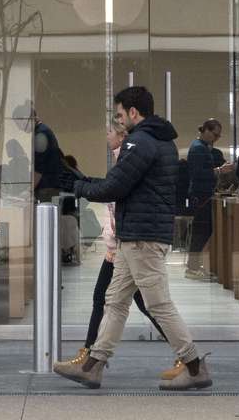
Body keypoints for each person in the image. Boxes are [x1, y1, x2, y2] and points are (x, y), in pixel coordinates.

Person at [54, 85, 211, 391]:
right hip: (136, 235)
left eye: (120, 114)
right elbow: (125, 183)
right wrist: (84, 181)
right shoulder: (161, 140)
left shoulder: (139, 141)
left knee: (158, 304)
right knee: (115, 301)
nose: (119, 120)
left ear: (134, 112)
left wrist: (78, 185)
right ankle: (93, 366)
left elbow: (115, 187)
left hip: (143, 237)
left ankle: (194, 366)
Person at [59, 117, 175, 375]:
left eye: (110, 131)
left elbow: (114, 198)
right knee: (111, 300)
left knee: (142, 303)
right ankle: (92, 358)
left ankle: (187, 357)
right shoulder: (123, 156)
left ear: (122, 136)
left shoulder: (129, 156)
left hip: (125, 247)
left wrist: (112, 243)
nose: (106, 136)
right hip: (122, 245)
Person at [185, 118, 225, 279]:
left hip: (202, 195)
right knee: (201, 232)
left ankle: (194, 266)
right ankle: (192, 268)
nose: (216, 139)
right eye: (215, 135)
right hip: (201, 195)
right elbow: (198, 174)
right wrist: (219, 171)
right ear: (206, 131)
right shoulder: (198, 149)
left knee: (202, 231)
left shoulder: (201, 147)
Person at [16, 102, 65, 201]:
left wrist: (28, 190)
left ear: (26, 118)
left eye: (18, 124)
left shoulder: (41, 135)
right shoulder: (42, 131)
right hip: (49, 186)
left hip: (47, 188)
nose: (19, 128)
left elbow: (39, 167)